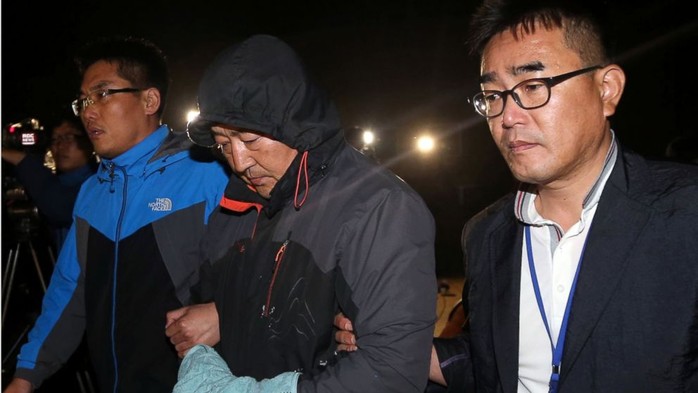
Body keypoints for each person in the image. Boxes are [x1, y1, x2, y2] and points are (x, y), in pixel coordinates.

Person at [336, 1, 698, 392]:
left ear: (606, 89)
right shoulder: (485, 235)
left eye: (532, 87)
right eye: (493, 96)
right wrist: (402, 346)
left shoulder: (685, 214)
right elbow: (494, 366)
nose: (508, 116)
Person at [166, 34, 438, 392]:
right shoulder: (235, 204)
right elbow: (213, 300)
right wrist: (222, 316)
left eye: (250, 140)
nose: (239, 161)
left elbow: (393, 374)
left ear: (296, 123)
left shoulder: (379, 207)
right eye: (222, 142)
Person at [4, 35, 229, 393]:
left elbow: (266, 273)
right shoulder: (91, 193)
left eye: (103, 94)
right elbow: (68, 292)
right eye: (83, 101)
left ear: (149, 100)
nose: (88, 111)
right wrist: (26, 375)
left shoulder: (208, 172)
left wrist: (225, 314)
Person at [2, 112, 98, 251]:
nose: (60, 145)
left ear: (90, 141)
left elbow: (59, 206)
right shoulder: (56, 183)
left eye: (68, 137)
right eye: (54, 139)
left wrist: (20, 159)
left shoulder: (101, 183)